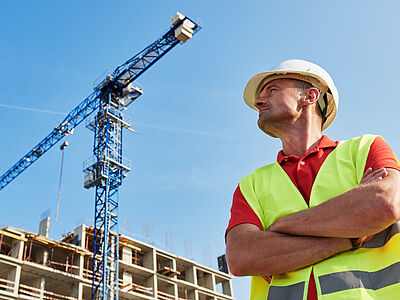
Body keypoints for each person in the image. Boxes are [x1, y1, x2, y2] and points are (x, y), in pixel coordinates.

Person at [225, 59, 400, 300]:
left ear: (309, 96)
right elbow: (241, 256)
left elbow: (386, 203)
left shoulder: (365, 148)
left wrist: (280, 227)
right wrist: (351, 236)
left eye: (272, 90)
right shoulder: (251, 184)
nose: (258, 101)